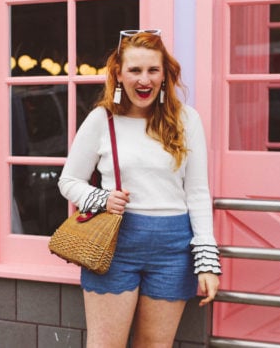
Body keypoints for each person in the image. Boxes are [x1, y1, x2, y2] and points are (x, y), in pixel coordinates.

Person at [58, 29, 221, 347]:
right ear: (119, 73)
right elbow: (68, 181)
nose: (144, 80)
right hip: (115, 245)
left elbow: (198, 193)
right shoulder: (101, 120)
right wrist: (101, 198)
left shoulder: (187, 120)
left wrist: (206, 261)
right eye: (134, 70)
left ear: (164, 74)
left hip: (173, 251)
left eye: (152, 70)